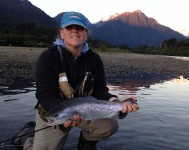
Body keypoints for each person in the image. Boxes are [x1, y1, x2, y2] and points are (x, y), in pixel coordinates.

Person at [32, 11, 139, 150]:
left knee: (109, 126)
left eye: (80, 28)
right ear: (62, 33)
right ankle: (27, 139)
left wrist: (116, 101)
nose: (75, 30)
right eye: (70, 27)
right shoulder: (48, 57)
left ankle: (86, 146)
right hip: (53, 114)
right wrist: (64, 116)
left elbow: (100, 91)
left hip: (86, 113)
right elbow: (44, 94)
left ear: (86, 33)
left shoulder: (94, 59)